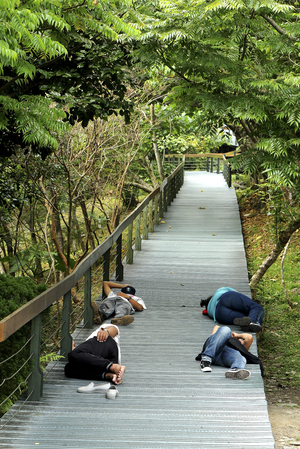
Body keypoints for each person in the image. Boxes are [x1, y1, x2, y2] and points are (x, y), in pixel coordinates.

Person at [196, 325, 263, 380]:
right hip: (213, 349)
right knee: (226, 329)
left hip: (224, 357)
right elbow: (216, 329)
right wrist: (227, 335)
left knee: (242, 358)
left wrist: (237, 336)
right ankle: (206, 360)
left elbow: (249, 337)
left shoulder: (241, 348)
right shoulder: (224, 335)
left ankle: (235, 370)